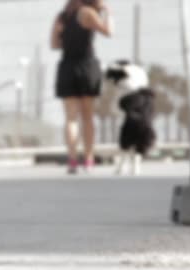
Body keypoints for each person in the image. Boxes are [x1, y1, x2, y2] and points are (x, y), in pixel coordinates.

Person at [51, 0, 114, 173]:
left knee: (70, 118)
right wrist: (107, 12)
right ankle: (88, 159)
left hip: (67, 67)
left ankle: (72, 160)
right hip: (86, 66)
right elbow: (108, 31)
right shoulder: (87, 13)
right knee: (87, 117)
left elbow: (54, 44)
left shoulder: (62, 16)